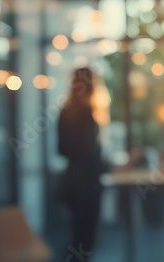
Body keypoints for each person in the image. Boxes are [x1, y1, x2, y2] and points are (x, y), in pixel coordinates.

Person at [58, 68, 105, 256]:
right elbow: (90, 154)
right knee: (85, 240)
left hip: (72, 183)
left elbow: (60, 150)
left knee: (78, 238)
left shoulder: (66, 111)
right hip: (86, 186)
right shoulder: (85, 113)